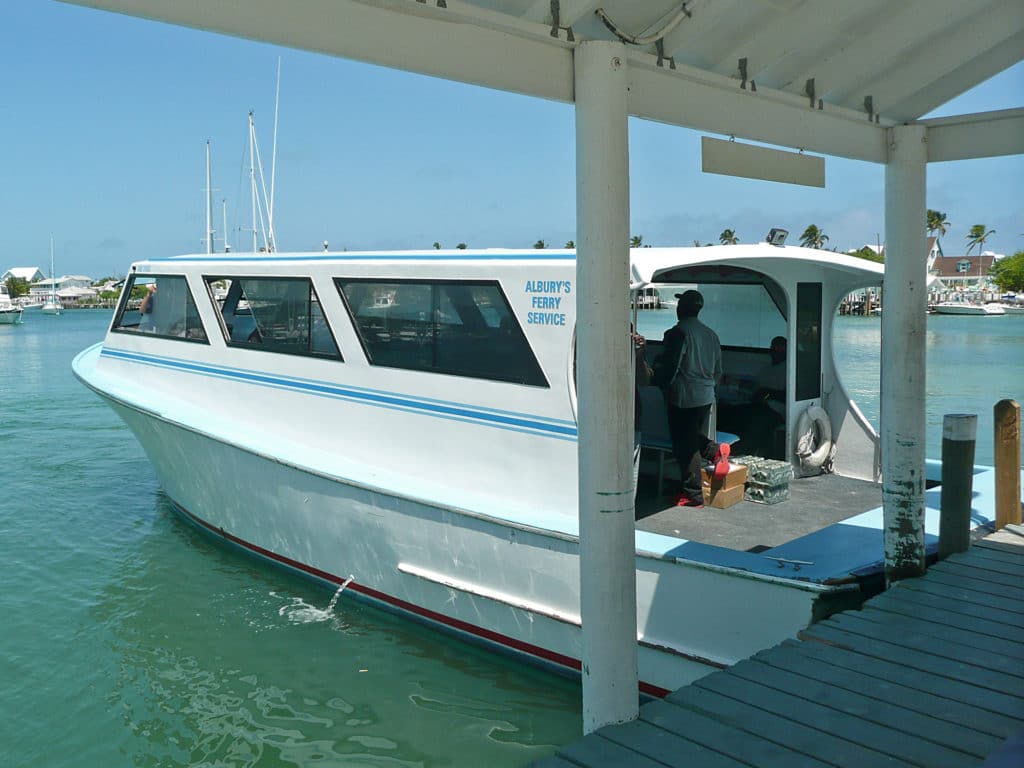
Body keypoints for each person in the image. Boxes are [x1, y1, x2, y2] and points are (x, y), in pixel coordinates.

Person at [653, 289, 725, 506]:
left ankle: (693, 495)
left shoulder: (677, 333)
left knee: (685, 446)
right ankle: (715, 451)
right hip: (706, 395)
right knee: (692, 436)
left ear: (682, 308)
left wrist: (658, 384)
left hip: (684, 396)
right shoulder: (711, 334)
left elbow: (671, 368)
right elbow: (718, 371)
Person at [745, 335, 787, 458]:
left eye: (780, 349)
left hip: (777, 410)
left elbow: (786, 396)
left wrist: (767, 394)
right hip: (758, 404)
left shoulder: (788, 369)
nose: (776, 352)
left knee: (759, 422)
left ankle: (754, 454)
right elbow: (756, 389)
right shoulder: (766, 369)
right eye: (774, 348)